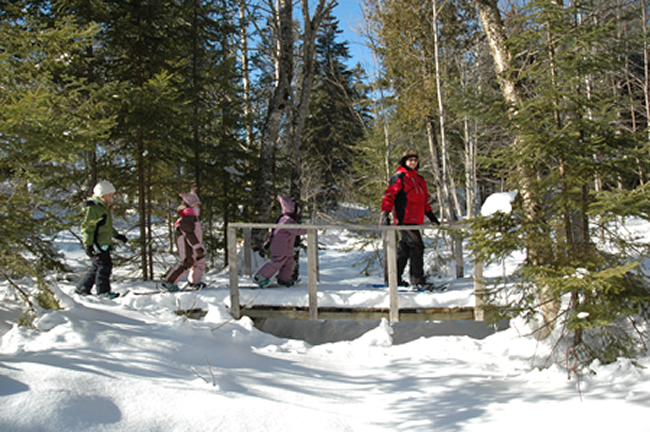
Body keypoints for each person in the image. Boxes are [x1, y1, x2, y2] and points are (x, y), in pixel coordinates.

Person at [380, 149, 440, 289]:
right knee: (417, 246)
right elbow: (389, 195)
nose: (413, 162)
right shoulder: (399, 177)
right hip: (404, 219)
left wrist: (431, 216)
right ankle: (417, 280)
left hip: (416, 220)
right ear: (404, 161)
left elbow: (424, 200)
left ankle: (394, 278)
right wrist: (385, 213)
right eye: (410, 160)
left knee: (405, 249)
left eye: (415, 160)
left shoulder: (420, 180)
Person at [76, 180, 128, 299]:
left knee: (97, 266)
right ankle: (103, 291)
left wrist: (117, 235)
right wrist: (88, 244)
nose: (111, 198)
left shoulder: (104, 208)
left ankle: (82, 288)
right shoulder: (94, 209)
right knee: (105, 266)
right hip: (97, 243)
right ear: (102, 195)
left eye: (112, 195)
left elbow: (106, 226)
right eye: (109, 195)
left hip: (104, 242)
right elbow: (88, 227)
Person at [253, 195, 306, 288]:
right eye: (298, 211)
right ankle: (261, 276)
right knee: (277, 262)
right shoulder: (287, 220)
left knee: (289, 262)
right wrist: (309, 229)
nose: (298, 213)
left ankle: (284, 279)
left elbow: (274, 231)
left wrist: (269, 241)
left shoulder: (284, 219)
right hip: (281, 247)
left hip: (286, 247)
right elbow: (297, 230)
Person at [161, 189, 207, 292]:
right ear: (189, 206)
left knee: (200, 261)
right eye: (196, 205)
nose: (198, 207)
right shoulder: (187, 218)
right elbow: (188, 234)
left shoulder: (193, 218)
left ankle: (194, 281)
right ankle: (169, 282)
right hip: (188, 245)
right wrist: (196, 246)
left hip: (195, 245)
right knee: (188, 262)